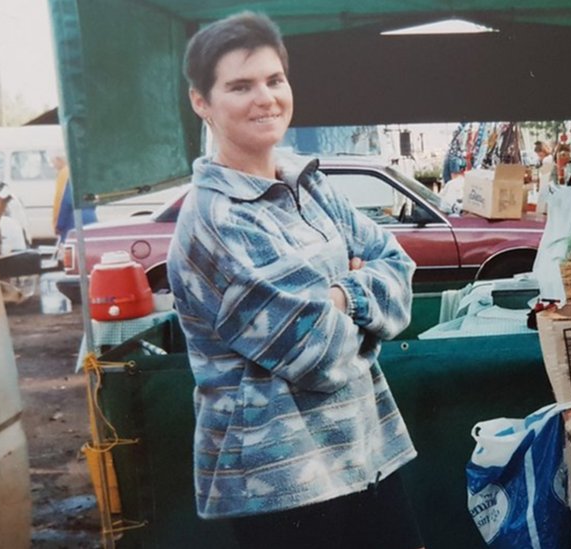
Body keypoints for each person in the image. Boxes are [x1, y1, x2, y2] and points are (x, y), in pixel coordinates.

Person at [166, 13, 423, 549]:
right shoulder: (216, 220)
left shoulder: (309, 183)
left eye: (274, 80)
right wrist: (356, 293)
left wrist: (339, 296)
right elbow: (317, 352)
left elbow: (398, 268)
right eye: (240, 86)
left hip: (365, 451)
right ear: (201, 102)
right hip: (283, 483)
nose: (265, 98)